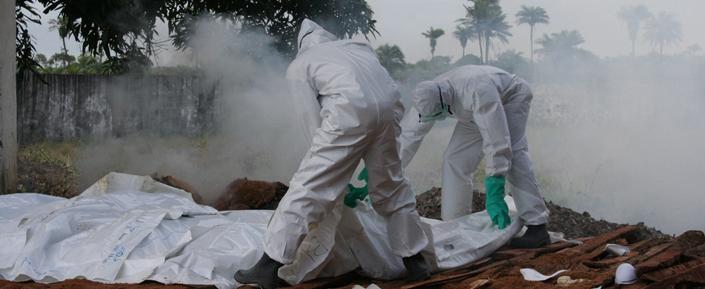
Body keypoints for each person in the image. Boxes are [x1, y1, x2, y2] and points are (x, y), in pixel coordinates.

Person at [234, 19, 430, 289]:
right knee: (391, 185)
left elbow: (310, 121)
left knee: (308, 188)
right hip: (388, 110)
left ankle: (268, 266)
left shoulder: (300, 65)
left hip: (348, 113)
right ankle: (415, 260)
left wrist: (330, 173)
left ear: (301, 46)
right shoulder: (359, 49)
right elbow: (388, 91)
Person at [399, 65, 551, 248]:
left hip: (510, 99)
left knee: (514, 155)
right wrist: (385, 169)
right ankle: (456, 224)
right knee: (454, 159)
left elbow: (497, 141)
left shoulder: (477, 90)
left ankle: (537, 225)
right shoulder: (427, 94)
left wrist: (495, 188)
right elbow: (409, 135)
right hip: (472, 113)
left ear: (445, 104)